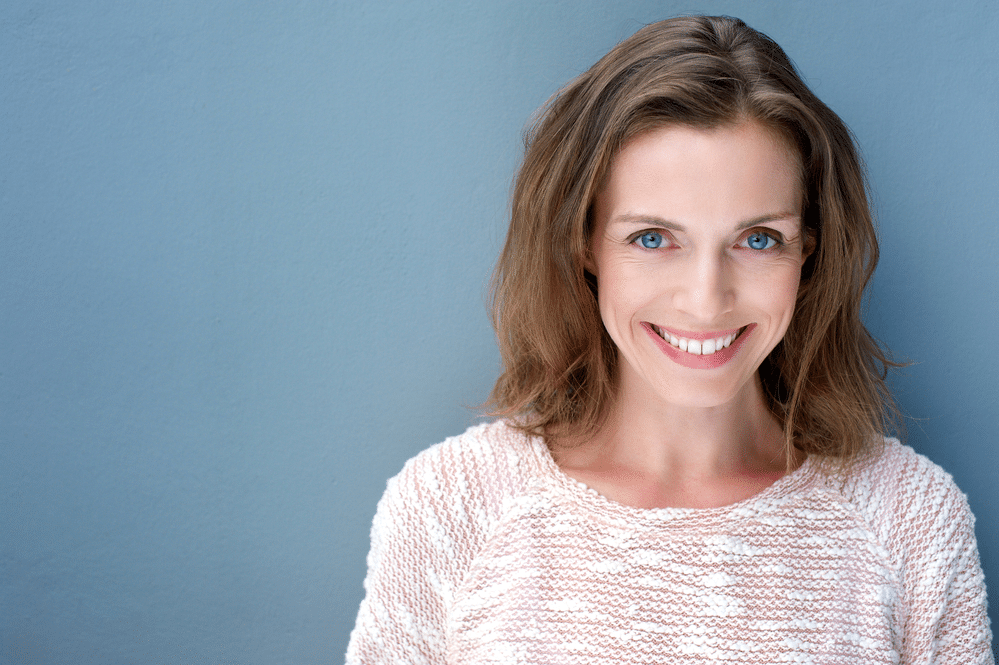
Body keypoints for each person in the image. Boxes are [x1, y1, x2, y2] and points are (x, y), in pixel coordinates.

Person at [346, 15, 992, 664]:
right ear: (584, 243)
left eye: (757, 238)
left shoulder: (908, 518)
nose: (705, 298)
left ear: (807, 250)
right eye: (652, 238)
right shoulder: (449, 506)